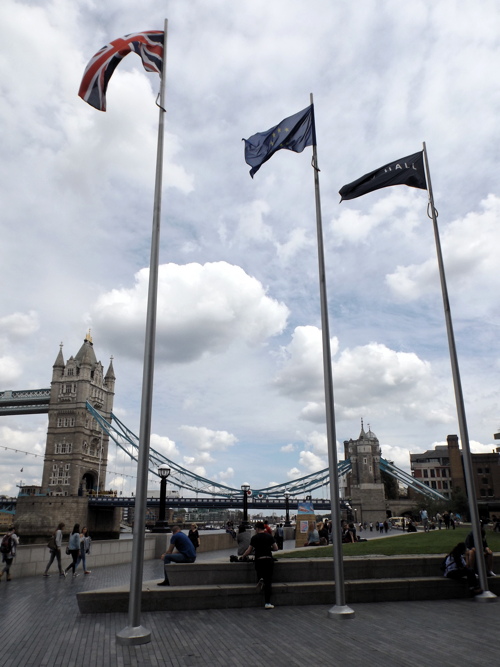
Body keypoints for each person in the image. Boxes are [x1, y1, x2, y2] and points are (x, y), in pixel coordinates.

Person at [242, 521, 278, 609]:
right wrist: (268, 548)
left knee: (260, 571)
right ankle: (267, 603)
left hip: (259, 560)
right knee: (268, 582)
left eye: (255, 529)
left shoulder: (254, 538)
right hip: (268, 560)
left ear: (257, 529)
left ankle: (260, 578)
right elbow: (276, 548)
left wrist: (243, 556)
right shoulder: (269, 536)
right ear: (264, 528)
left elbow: (249, 550)